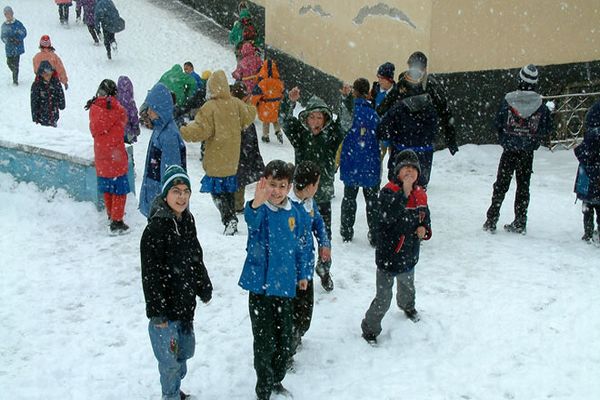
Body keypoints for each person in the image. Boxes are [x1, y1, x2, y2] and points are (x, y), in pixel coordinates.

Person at [238, 160, 310, 400]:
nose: (276, 191)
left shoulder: (295, 214)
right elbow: (251, 221)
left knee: (284, 339)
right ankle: (264, 388)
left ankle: (276, 378)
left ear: (289, 187)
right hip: (261, 290)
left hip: (285, 289)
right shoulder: (260, 210)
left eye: (282, 185)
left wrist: (303, 274)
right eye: (272, 185)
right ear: (263, 184)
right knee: (264, 341)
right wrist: (256, 204)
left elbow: (301, 246)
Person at [141, 165, 213, 400]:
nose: (182, 197)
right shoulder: (155, 230)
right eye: (176, 191)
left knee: (184, 354)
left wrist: (203, 284)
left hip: (184, 305)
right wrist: (157, 312)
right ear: (165, 194)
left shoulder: (187, 220)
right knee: (169, 362)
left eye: (185, 191)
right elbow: (150, 275)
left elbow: (195, 255)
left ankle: (173, 388)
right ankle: (170, 395)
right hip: (165, 312)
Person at [361, 150, 432, 344]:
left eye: (413, 169)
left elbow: (425, 217)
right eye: (405, 169)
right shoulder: (388, 191)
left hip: (409, 255)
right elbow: (388, 217)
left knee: (407, 286)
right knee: (383, 298)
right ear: (397, 172)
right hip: (388, 256)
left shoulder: (421, 195)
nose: (409, 172)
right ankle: (370, 327)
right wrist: (404, 193)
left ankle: (408, 306)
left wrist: (424, 229)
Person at [281, 87, 344, 291]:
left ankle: (324, 268)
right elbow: (285, 120)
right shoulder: (300, 135)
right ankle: (299, 271)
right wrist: (288, 102)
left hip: (323, 194)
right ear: (306, 118)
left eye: (320, 118)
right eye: (312, 117)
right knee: (299, 235)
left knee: (324, 234)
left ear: (325, 119)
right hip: (300, 196)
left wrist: (347, 99)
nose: (316, 122)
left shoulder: (331, 136)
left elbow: (345, 122)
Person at [180, 70, 256, 235]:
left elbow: (200, 130)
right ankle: (231, 215)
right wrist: (249, 103)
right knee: (228, 189)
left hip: (216, 157)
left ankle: (228, 218)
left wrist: (183, 130)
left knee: (217, 192)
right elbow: (249, 115)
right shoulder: (236, 104)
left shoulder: (209, 107)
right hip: (232, 158)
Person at [483, 64, 553, 234]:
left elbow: (498, 123)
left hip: (509, 150)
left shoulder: (508, 101)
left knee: (501, 185)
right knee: (523, 186)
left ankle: (492, 219)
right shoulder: (540, 106)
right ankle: (520, 221)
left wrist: (505, 139)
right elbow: (547, 128)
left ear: (519, 79)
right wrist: (533, 141)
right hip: (527, 153)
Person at [288, 161, 331, 361]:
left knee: (305, 312)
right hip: (291, 272)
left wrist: (324, 243)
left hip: (306, 268)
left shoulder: (309, 202)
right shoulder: (289, 207)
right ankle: (287, 347)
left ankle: (298, 332)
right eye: (317, 183)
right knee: (291, 312)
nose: (318, 187)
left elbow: (318, 223)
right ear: (309, 185)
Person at [377, 68, 440, 188]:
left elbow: (382, 130)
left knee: (398, 194)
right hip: (423, 158)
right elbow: (434, 130)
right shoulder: (430, 108)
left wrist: (392, 135)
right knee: (418, 195)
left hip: (400, 156)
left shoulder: (398, 108)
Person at [339, 78, 381, 245]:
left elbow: (341, 130)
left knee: (349, 198)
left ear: (354, 91)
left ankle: (346, 231)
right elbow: (381, 137)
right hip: (370, 164)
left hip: (351, 162)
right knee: (372, 202)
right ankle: (375, 234)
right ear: (368, 92)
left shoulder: (349, 112)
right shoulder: (374, 114)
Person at [85, 79, 130, 233]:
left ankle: (111, 215)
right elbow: (124, 118)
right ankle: (117, 221)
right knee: (120, 190)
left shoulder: (94, 108)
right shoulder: (117, 109)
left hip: (101, 156)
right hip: (115, 156)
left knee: (108, 188)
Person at [139, 83, 187, 218]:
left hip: (163, 206)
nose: (148, 112)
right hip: (156, 198)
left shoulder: (169, 135)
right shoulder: (159, 129)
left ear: (161, 109)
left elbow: (172, 177)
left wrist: (168, 207)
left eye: (152, 109)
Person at [398, 51, 459, 156]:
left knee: (419, 169)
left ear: (424, 69)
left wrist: (450, 139)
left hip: (422, 140)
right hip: (406, 139)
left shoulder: (431, 86)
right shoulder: (403, 83)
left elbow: (445, 111)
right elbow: (390, 106)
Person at [230, 81, 265, 213]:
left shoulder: (228, 108)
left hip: (232, 152)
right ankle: (237, 205)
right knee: (240, 178)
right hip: (242, 152)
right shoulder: (245, 112)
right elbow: (250, 139)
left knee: (235, 177)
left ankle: (233, 203)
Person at [574, 100, 600, 243]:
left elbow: (583, 153)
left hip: (589, 178)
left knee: (588, 206)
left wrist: (577, 150)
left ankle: (588, 232)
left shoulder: (592, 135)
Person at [252, 58, 284, 143]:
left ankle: (265, 135)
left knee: (266, 121)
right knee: (275, 118)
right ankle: (278, 131)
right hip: (276, 104)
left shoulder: (262, 83)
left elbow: (256, 95)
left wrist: (253, 104)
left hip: (265, 104)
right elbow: (282, 92)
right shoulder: (279, 82)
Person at [30, 61, 65, 127]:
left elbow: (61, 94)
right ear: (41, 74)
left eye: (50, 74)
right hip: (42, 118)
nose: (48, 76)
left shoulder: (55, 82)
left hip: (54, 115)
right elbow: (34, 103)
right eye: (46, 74)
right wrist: (35, 118)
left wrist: (61, 104)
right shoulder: (36, 85)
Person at [1, 6, 26, 86]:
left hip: (17, 48)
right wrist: (8, 40)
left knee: (16, 64)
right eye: (6, 14)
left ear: (12, 13)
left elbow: (24, 32)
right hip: (9, 48)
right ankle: (14, 71)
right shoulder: (4, 26)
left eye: (9, 13)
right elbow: (2, 36)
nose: (8, 16)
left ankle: (15, 80)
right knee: (9, 62)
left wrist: (18, 39)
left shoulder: (18, 24)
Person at [116, 76, 140, 144]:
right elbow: (133, 116)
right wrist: (136, 128)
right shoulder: (130, 101)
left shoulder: (115, 99)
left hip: (117, 131)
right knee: (127, 150)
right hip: (127, 131)